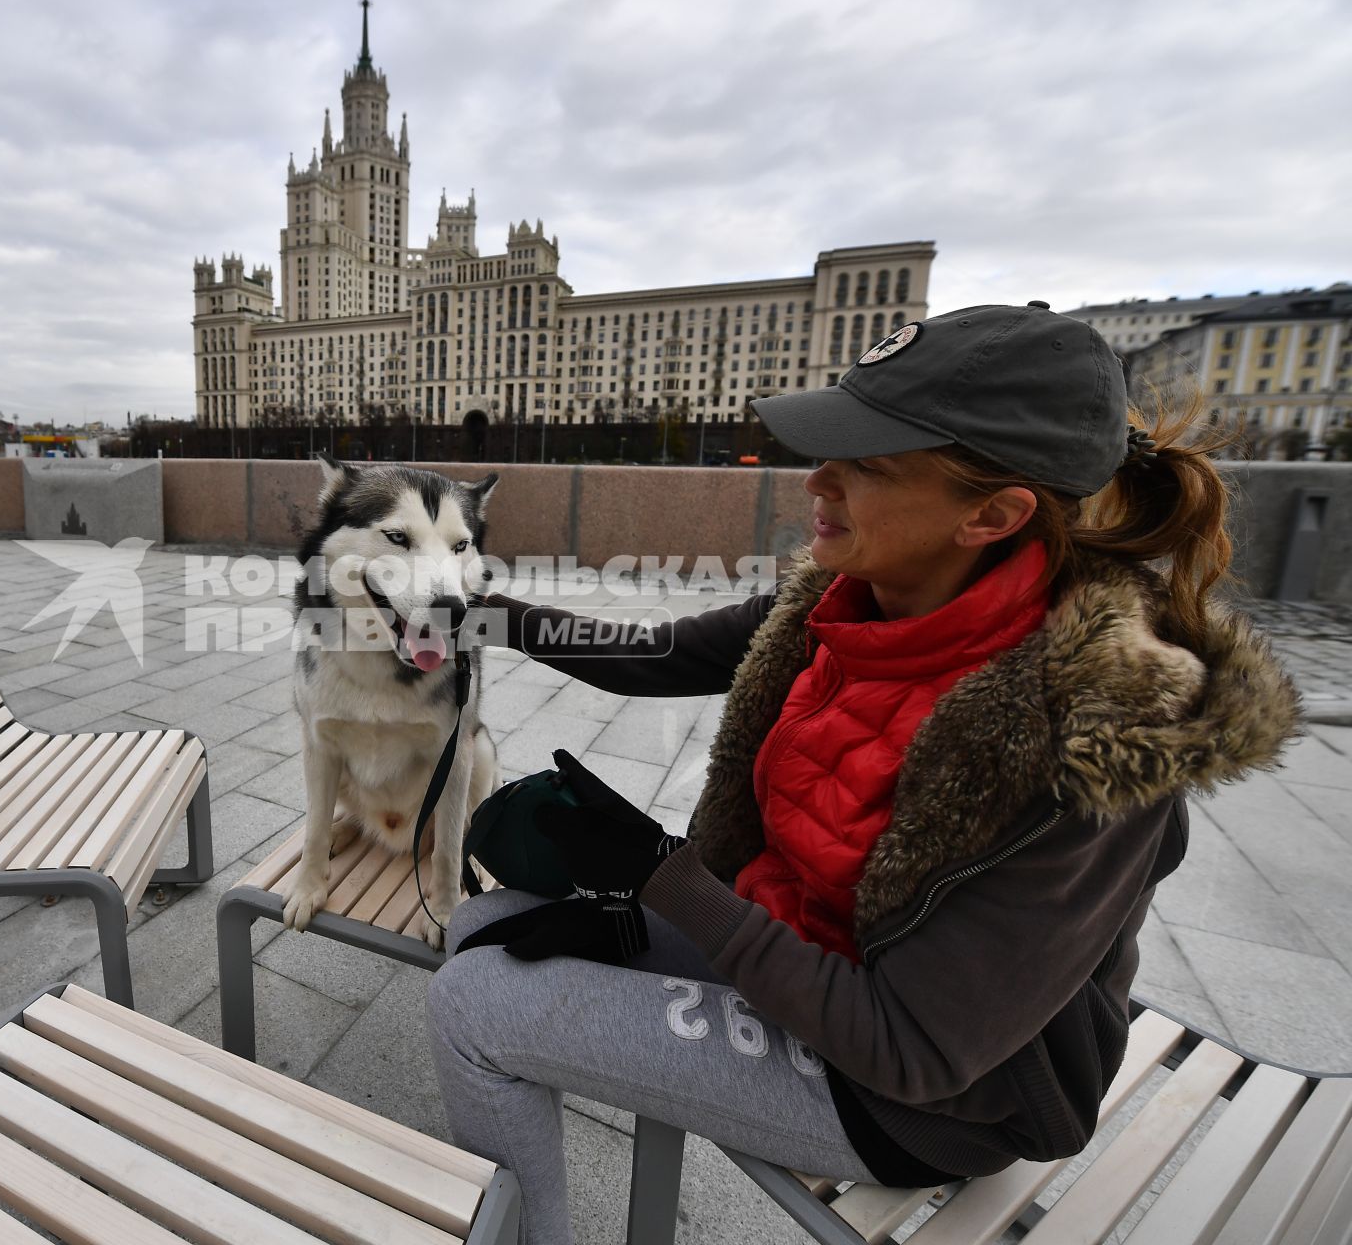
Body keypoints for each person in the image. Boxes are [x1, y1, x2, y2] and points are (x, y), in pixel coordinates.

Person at [426, 302, 1302, 1244]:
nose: (820, 481)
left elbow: (914, 1050)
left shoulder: (1084, 740)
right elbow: (660, 653)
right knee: (481, 924)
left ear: (992, 514)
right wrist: (481, 614)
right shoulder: (852, 598)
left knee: (476, 1003)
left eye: (869, 464)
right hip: (804, 952)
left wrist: (662, 877)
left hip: (922, 1099)